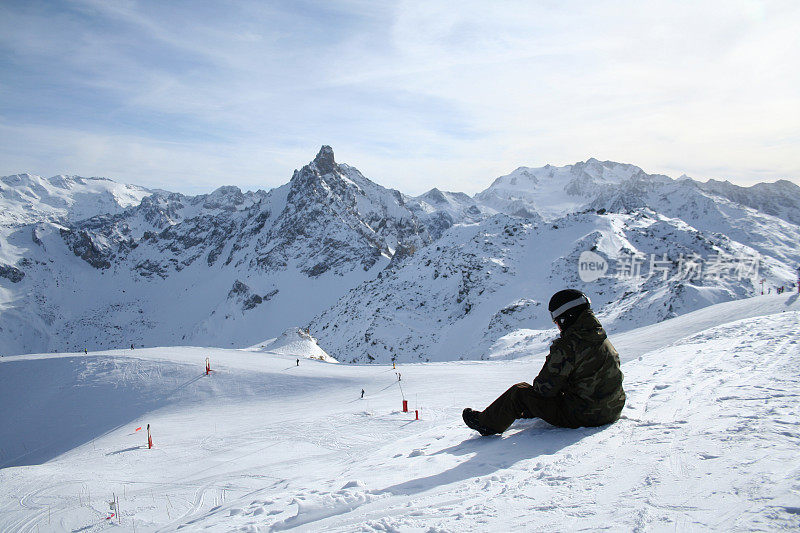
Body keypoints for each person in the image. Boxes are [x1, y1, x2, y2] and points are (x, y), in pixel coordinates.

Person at [463, 289, 625, 436]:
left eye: (557, 322)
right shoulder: (599, 337)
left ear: (566, 318)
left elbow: (544, 389)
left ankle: (486, 424)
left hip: (586, 416)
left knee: (519, 392)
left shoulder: (568, 345)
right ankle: (529, 410)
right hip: (612, 409)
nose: (557, 326)